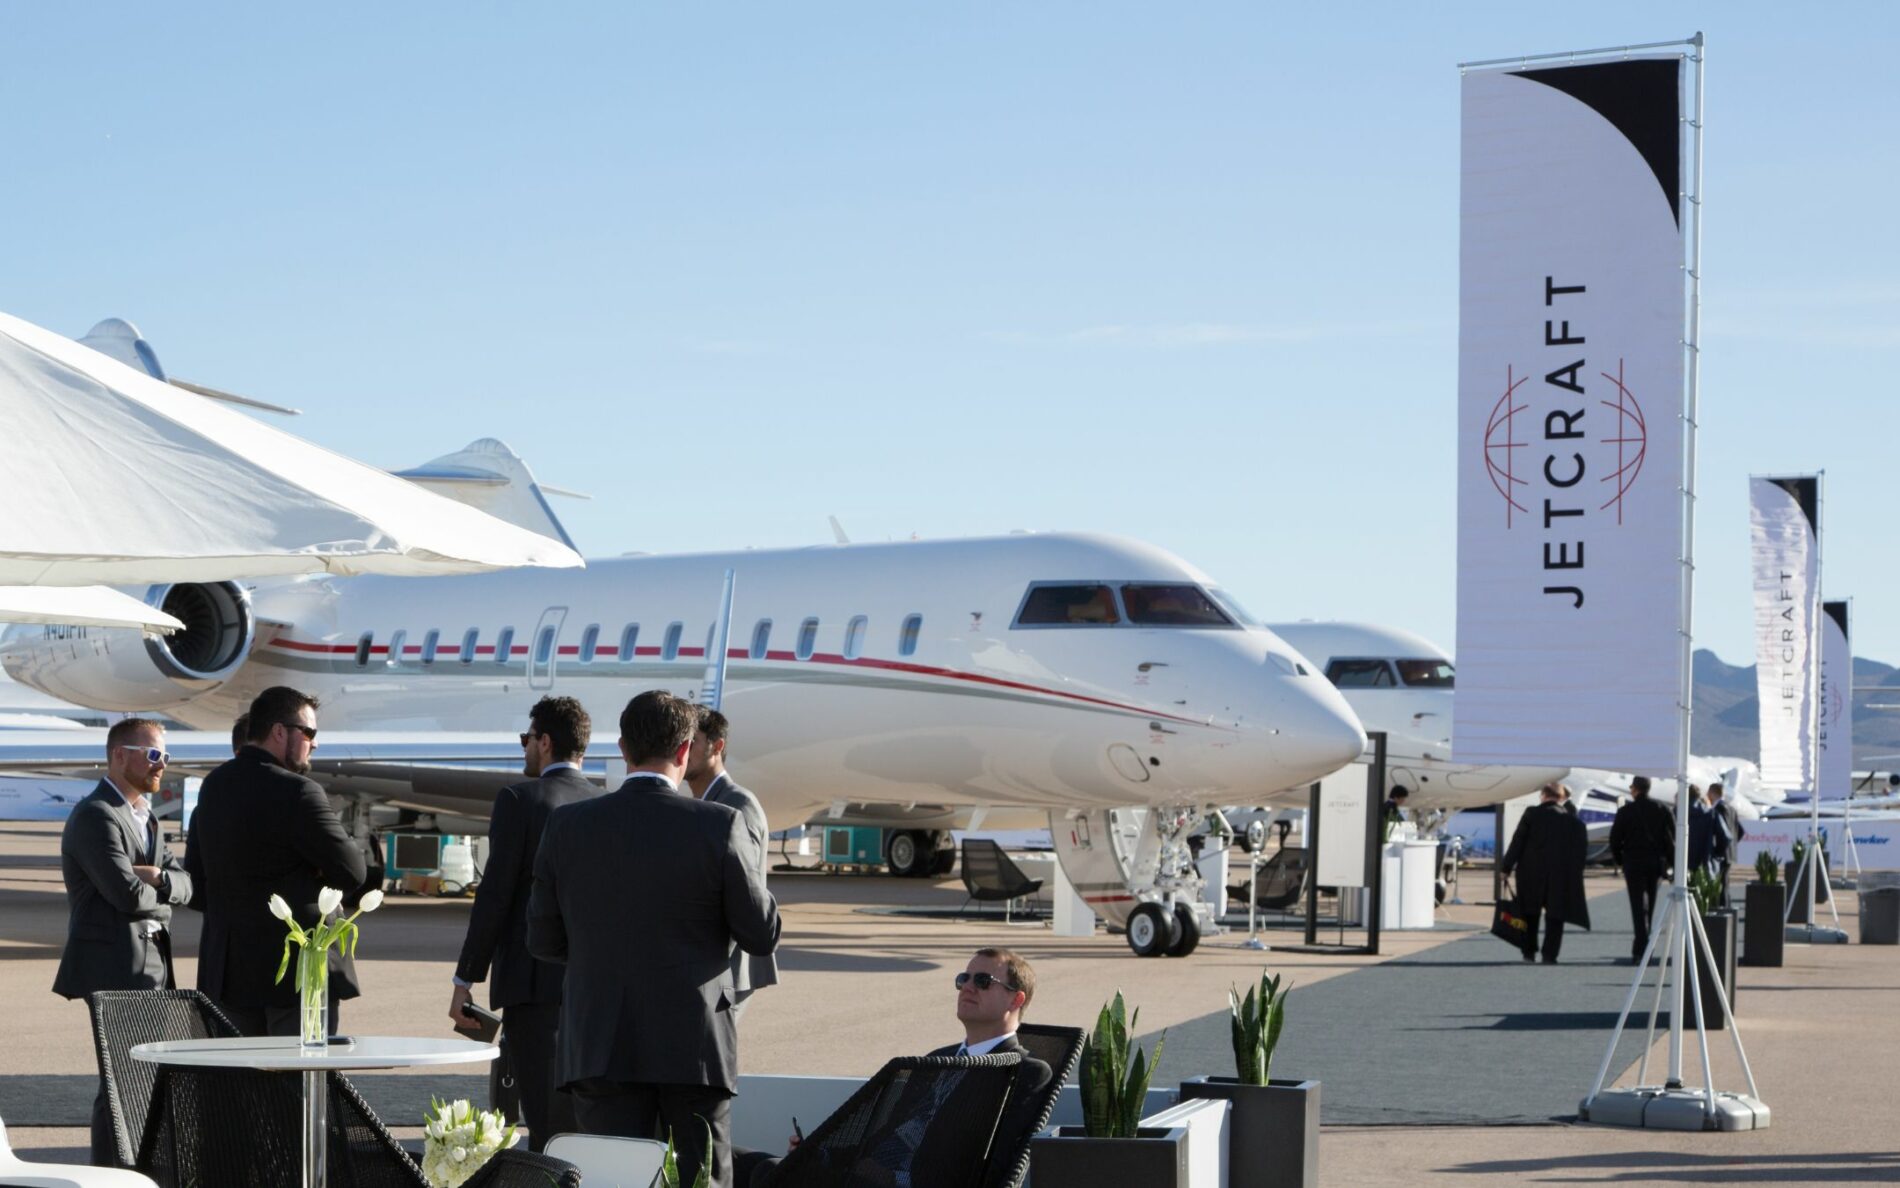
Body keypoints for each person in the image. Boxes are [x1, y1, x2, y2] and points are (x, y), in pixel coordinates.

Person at [528, 691, 780, 1188]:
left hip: (600, 1040)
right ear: (686, 751)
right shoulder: (721, 824)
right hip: (694, 1044)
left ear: (623, 748)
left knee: (612, 1179)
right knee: (698, 1179)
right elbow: (760, 933)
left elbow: (542, 939)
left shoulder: (568, 825)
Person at [740, 948, 1053, 1188]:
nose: (967, 987)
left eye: (983, 981)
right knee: (732, 1158)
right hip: (870, 1175)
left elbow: (990, 1167)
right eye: (963, 979)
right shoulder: (937, 1059)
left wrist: (888, 1174)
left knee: (768, 1172)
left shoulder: (1023, 1072)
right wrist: (818, 1151)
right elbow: (884, 1136)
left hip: (909, 1182)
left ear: (1016, 1000)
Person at [450, 697, 601, 1152]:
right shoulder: (604, 803)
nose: (524, 749)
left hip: (533, 988)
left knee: (544, 1124)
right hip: (596, 990)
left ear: (546, 741)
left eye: (527, 739)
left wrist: (465, 977)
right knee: (585, 1120)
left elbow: (494, 897)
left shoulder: (520, 799)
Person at [184, 686, 367, 1037]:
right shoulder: (298, 792)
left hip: (228, 972)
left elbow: (199, 887)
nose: (314, 743)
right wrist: (312, 871)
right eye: (309, 732)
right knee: (296, 1084)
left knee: (239, 1087)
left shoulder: (214, 787)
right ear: (280, 731)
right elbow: (352, 871)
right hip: (294, 975)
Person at [54, 717, 195, 1164]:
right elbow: (127, 895)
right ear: (120, 755)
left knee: (144, 1080)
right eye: (154, 755)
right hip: (114, 968)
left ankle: (134, 1168)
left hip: (151, 966)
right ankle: (110, 1173)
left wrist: (160, 882)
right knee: (119, 1083)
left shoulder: (146, 817)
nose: (162, 765)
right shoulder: (96, 815)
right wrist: (163, 890)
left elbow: (189, 884)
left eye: (166, 757)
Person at [686, 707, 779, 1016]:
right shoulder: (705, 803)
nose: (683, 749)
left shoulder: (738, 804)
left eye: (693, 740)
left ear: (717, 746)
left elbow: (745, 894)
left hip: (726, 972)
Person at [1500, 783, 1590, 963]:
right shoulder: (1573, 821)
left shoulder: (1531, 814)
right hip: (1560, 876)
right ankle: (1550, 955)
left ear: (1543, 795)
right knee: (1556, 916)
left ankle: (1528, 952)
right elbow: (1580, 852)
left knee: (1529, 914)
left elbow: (1517, 842)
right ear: (1561, 798)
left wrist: (1506, 868)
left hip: (1530, 874)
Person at [1609, 775, 1676, 964]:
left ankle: (1641, 946)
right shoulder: (1662, 809)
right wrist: (1670, 863)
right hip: (1655, 862)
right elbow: (1671, 838)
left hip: (1633, 862)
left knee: (1637, 905)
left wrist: (1621, 860)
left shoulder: (1625, 811)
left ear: (1635, 789)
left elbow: (1614, 839)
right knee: (1651, 903)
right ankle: (1644, 942)